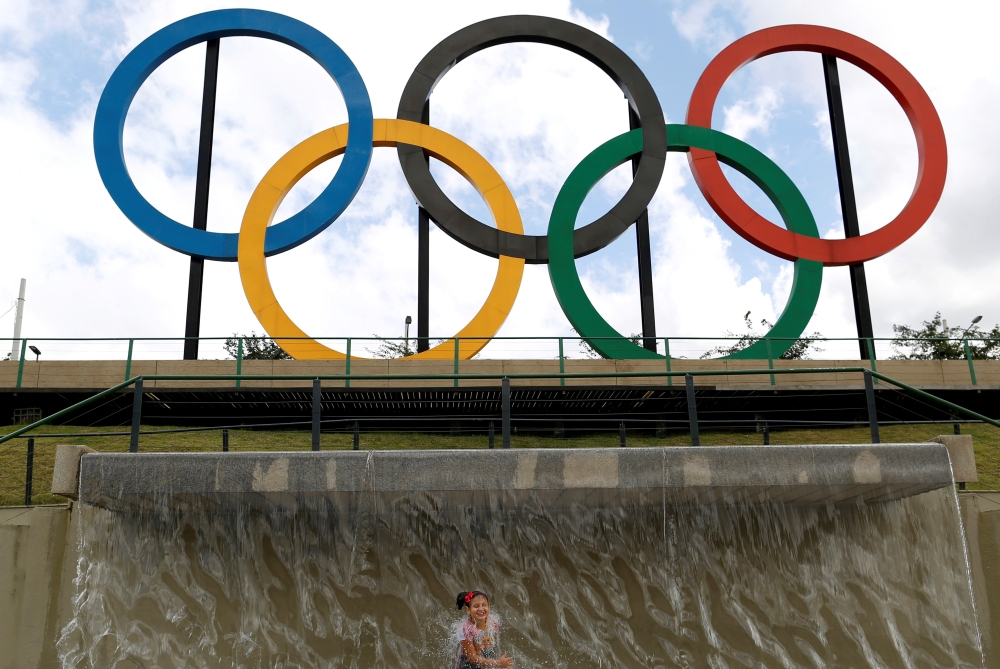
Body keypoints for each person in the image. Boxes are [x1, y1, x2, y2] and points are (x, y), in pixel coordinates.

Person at [454, 590, 513, 669]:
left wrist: (490, 661)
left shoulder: (494, 622)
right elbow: (472, 658)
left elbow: (492, 643)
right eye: (476, 606)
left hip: (483, 662)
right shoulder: (466, 629)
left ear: (489, 606)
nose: (481, 609)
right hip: (467, 666)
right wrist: (497, 663)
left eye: (484, 605)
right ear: (468, 610)